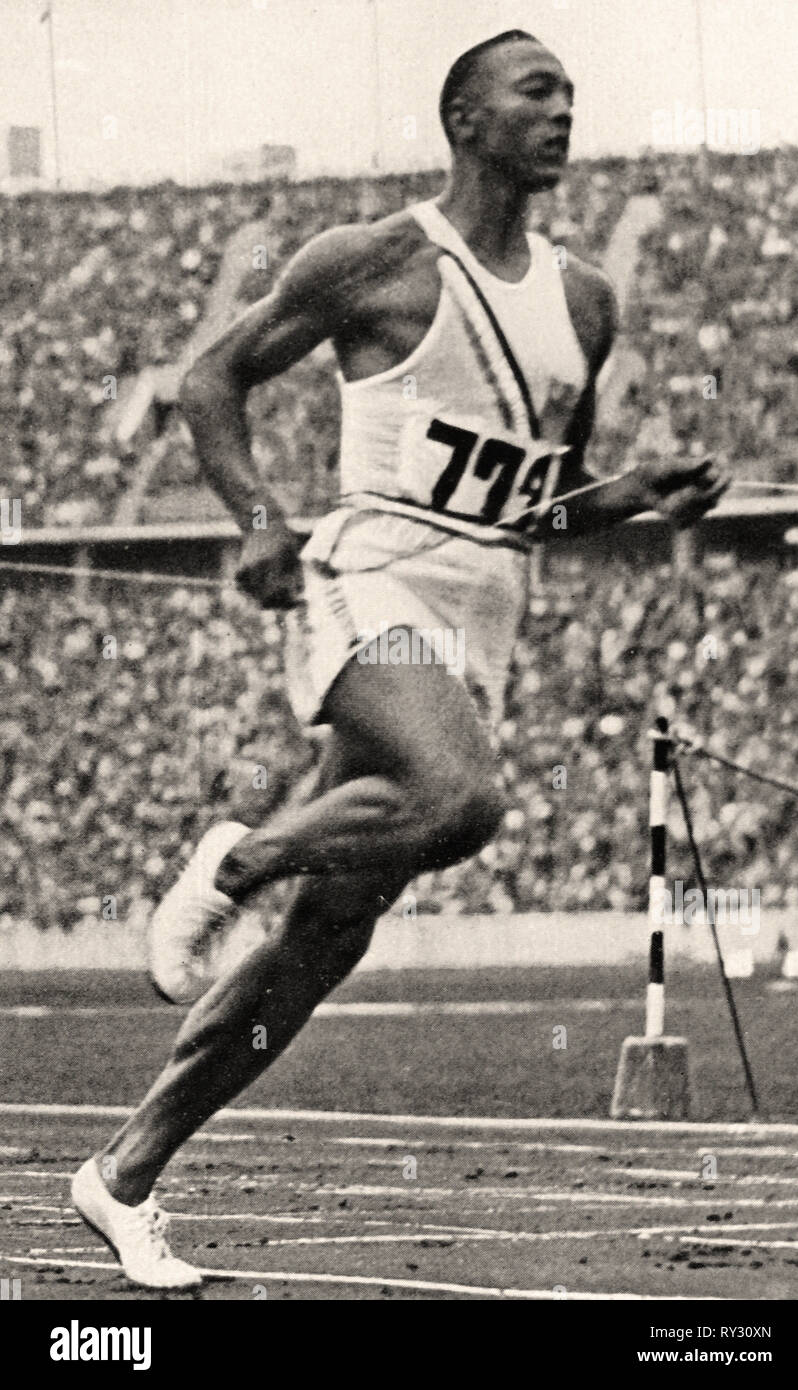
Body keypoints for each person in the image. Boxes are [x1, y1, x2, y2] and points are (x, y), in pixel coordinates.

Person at [72, 30, 726, 1287]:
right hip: (369, 575)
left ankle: (121, 1177)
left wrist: (637, 491)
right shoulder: (376, 259)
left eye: (571, 95)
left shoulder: (586, 301)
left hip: (484, 615)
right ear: (464, 118)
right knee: (457, 797)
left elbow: (536, 502)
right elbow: (210, 378)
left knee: (323, 941)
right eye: (535, 91)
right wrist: (260, 517)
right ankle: (237, 857)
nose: (563, 111)